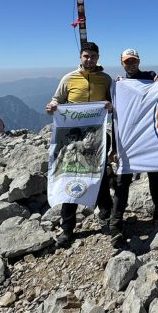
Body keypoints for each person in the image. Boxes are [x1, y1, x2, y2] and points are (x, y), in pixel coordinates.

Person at [46, 41, 114, 248]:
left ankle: (106, 217)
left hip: (98, 136)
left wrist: (110, 107)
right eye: (86, 56)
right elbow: (56, 100)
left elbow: (115, 103)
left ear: (98, 57)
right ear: (80, 57)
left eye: (93, 56)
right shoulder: (69, 78)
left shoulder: (105, 79)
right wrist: (52, 107)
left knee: (100, 176)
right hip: (72, 139)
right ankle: (67, 229)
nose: (89, 60)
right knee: (70, 176)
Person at [110, 48, 158, 247]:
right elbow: (115, 119)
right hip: (128, 140)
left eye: (134, 61)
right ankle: (115, 223)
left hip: (149, 138)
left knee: (155, 177)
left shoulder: (150, 76)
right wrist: (114, 147)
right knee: (123, 180)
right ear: (122, 63)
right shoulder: (118, 85)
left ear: (139, 61)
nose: (131, 64)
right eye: (128, 61)